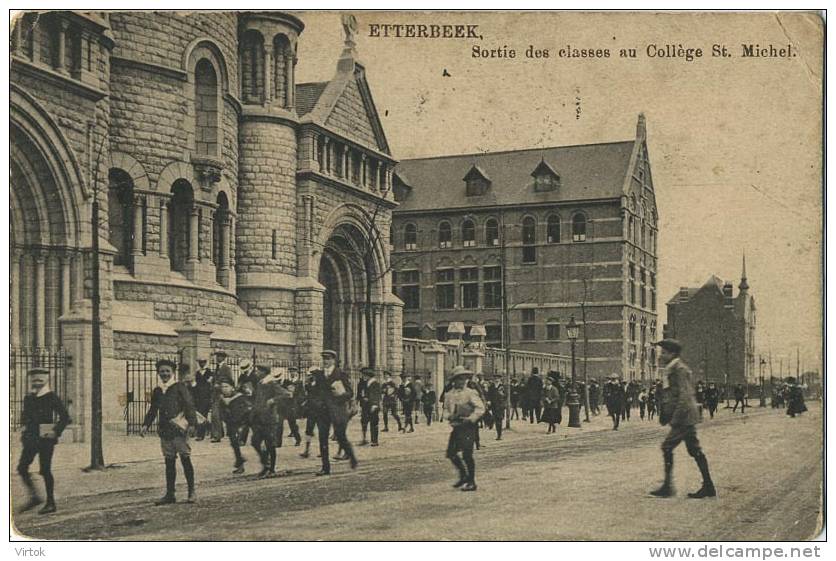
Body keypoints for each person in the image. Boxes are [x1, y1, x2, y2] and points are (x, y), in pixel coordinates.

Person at [651, 339, 716, 499]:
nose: (661, 355)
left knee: (667, 447)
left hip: (684, 417)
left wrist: (675, 418)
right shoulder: (672, 369)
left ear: (673, 354)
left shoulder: (679, 369)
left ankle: (668, 487)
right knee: (694, 449)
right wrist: (666, 414)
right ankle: (708, 486)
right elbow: (670, 395)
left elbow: (684, 396)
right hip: (685, 416)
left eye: (664, 352)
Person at [141, 359, 198, 505]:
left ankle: (191, 492)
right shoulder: (158, 390)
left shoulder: (179, 387)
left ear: (173, 372)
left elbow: (189, 405)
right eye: (162, 371)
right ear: (158, 373)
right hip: (165, 430)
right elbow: (153, 409)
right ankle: (170, 494)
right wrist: (146, 424)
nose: (164, 374)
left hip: (179, 430)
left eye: (167, 371)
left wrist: (192, 424)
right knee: (169, 462)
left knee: (185, 459)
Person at [17, 367, 71, 515]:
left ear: (46, 380)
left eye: (40, 380)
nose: (36, 382)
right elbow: (25, 416)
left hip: (46, 439)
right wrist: (24, 428)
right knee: (22, 468)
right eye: (34, 380)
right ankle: (34, 497)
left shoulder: (51, 397)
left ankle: (50, 503)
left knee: (45, 470)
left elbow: (65, 417)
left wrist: (55, 431)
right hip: (30, 439)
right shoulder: (29, 398)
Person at [443, 365, 485, 492]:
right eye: (459, 378)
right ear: (454, 380)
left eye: (464, 378)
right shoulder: (449, 395)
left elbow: (480, 408)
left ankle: (471, 481)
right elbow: (445, 410)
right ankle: (463, 475)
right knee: (451, 453)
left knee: (467, 454)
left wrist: (471, 418)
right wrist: (449, 416)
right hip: (457, 426)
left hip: (468, 427)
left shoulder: (470, 393)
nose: (462, 381)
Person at [317, 350, 358, 474]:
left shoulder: (341, 374)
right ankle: (325, 467)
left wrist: (339, 395)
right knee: (322, 438)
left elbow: (350, 393)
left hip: (337, 410)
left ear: (333, 360)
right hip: (323, 411)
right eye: (324, 359)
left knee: (340, 437)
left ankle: (351, 456)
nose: (325, 361)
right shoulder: (319, 374)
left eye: (328, 359)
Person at [250, 365, 290, 478]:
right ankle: (266, 464)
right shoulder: (260, 383)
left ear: (264, 372)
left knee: (270, 444)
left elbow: (286, 394)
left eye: (258, 370)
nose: (256, 372)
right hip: (259, 418)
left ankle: (271, 468)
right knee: (255, 442)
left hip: (269, 419)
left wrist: (273, 400)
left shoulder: (271, 383)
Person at [217, 371, 253, 474]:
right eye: (222, 387)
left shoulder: (239, 397)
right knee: (234, 443)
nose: (224, 389)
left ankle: (265, 460)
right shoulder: (222, 398)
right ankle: (240, 462)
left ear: (232, 387)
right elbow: (221, 411)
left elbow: (245, 411)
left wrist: (241, 425)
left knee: (251, 442)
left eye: (226, 386)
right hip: (231, 423)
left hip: (243, 423)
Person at [358, 367, 382, 446]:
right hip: (366, 406)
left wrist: (375, 404)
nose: (363, 377)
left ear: (368, 375)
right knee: (364, 422)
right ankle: (364, 439)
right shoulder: (366, 383)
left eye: (364, 375)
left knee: (374, 423)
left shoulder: (375, 384)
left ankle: (374, 441)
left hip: (373, 406)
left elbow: (377, 395)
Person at [280, 368, 303, 446]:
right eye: (291, 372)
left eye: (293, 371)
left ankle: (297, 439)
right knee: (281, 422)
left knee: (292, 422)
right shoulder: (286, 381)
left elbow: (301, 393)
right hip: (286, 403)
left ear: (296, 372)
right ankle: (278, 441)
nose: (292, 373)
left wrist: (297, 400)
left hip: (293, 404)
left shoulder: (299, 382)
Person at [192, 358, 214, 440]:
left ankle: (202, 434)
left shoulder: (210, 372)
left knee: (204, 415)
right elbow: (195, 384)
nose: (201, 364)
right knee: (200, 415)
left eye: (203, 362)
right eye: (200, 362)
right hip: (198, 397)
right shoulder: (197, 373)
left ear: (205, 363)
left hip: (206, 397)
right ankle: (201, 433)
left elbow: (210, 384)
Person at [210, 351, 228, 442]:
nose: (217, 358)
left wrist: (220, 385)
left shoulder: (226, 368)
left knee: (217, 415)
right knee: (216, 415)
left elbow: (229, 381)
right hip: (215, 394)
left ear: (224, 358)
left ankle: (218, 435)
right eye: (217, 356)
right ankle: (218, 434)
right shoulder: (217, 367)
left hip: (222, 394)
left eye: (219, 356)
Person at [488, 375, 507, 440]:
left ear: (500, 379)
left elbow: (506, 395)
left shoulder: (502, 386)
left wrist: (502, 395)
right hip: (493, 405)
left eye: (498, 378)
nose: (496, 379)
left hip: (500, 405)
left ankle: (499, 435)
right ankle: (498, 433)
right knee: (496, 419)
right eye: (495, 378)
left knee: (499, 419)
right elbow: (489, 394)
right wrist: (489, 401)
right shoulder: (491, 386)